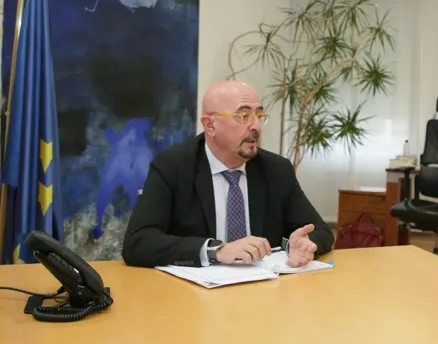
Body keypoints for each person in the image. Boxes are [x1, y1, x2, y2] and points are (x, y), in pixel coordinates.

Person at [122, 80, 334, 268]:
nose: (256, 126)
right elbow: (138, 242)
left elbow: (321, 231)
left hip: (264, 294)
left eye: (259, 115)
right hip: (192, 299)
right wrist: (216, 251)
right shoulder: (173, 166)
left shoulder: (276, 170)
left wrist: (302, 244)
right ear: (210, 125)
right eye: (244, 116)